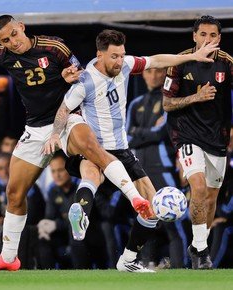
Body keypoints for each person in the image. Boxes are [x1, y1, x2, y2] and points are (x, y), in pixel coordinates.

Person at [0, 15, 154, 273]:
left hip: (67, 119)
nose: (12, 42)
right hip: (35, 128)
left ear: (21, 26)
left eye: (13, 34)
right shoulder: (1, 54)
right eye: (5, 39)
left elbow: (81, 76)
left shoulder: (54, 47)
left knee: (94, 151)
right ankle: (9, 258)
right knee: (14, 192)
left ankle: (135, 199)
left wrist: (68, 76)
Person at [44, 29, 219, 272]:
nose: (119, 61)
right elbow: (63, 110)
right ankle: (81, 214)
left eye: (121, 55)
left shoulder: (125, 64)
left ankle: (127, 259)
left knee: (153, 206)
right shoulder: (86, 81)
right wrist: (54, 134)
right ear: (100, 54)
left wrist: (193, 57)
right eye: (114, 56)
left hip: (122, 149)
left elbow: (156, 60)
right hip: (95, 148)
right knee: (92, 174)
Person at [162, 15, 233, 269]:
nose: (207, 39)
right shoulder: (180, 63)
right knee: (199, 189)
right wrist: (196, 97)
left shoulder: (227, 63)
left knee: (212, 199)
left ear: (219, 39)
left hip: (217, 138)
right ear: (194, 36)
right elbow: (167, 104)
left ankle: (198, 244)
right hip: (187, 135)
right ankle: (201, 252)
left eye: (212, 35)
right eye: (202, 34)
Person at [126, 68, 186, 268]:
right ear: (143, 75)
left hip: (163, 169)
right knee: (146, 221)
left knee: (173, 222)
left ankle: (182, 270)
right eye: (149, 71)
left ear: (164, 75)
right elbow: (126, 138)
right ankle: (146, 267)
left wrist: (138, 132)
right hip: (139, 171)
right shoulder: (135, 104)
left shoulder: (169, 101)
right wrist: (146, 133)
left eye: (157, 71)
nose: (153, 75)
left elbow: (162, 133)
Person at [37, 151, 107, 269]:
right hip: (63, 235)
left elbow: (85, 219)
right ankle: (46, 277)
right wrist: (44, 226)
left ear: (69, 170)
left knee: (75, 229)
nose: (57, 175)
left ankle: (81, 274)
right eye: (53, 171)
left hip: (89, 235)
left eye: (60, 170)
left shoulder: (83, 188)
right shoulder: (53, 191)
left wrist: (57, 224)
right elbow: (50, 217)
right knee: (41, 237)